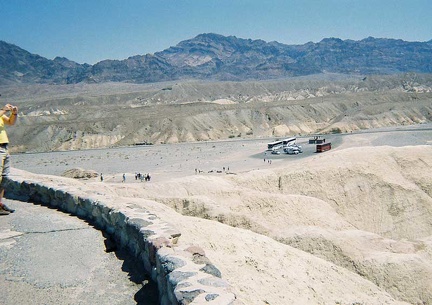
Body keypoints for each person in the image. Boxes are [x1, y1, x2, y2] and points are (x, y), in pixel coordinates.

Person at [0, 103, 18, 215]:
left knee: (4, 177)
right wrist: (4, 110)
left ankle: (0, 203)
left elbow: (11, 122)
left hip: (4, 146)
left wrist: (14, 113)